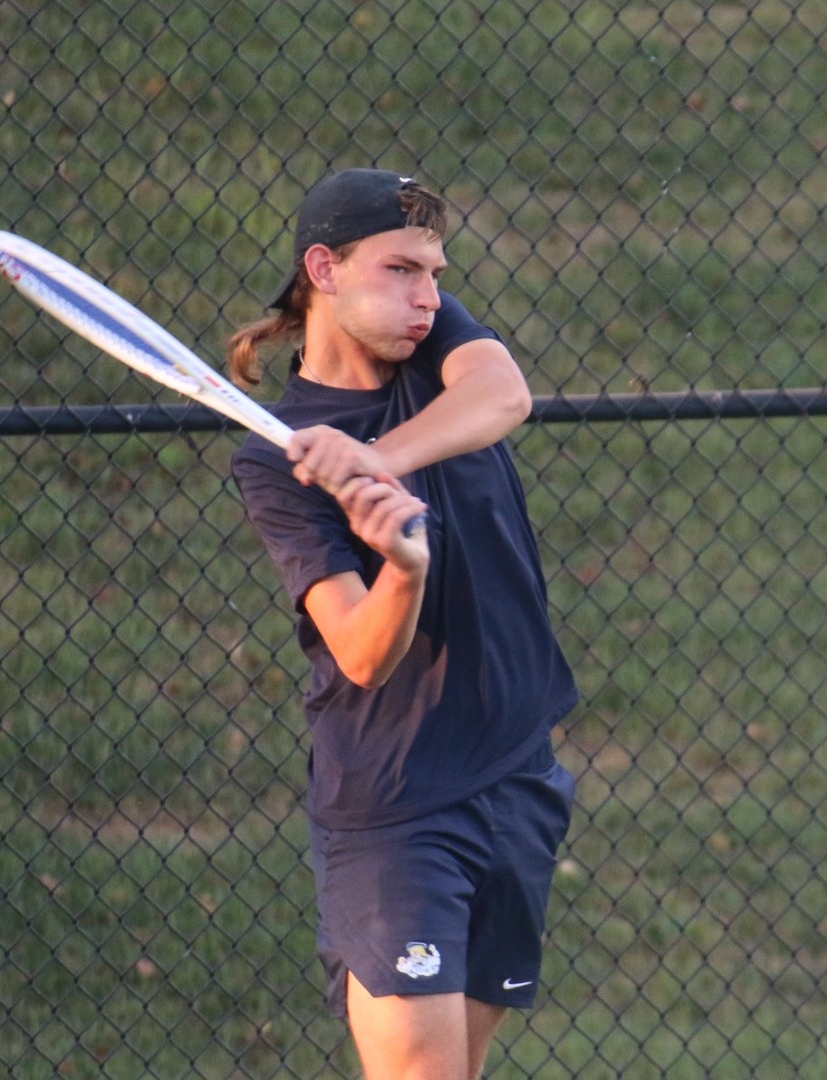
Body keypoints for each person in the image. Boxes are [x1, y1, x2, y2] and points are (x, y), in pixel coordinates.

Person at [226, 168, 579, 1080]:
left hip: (518, 775)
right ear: (324, 269)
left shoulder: (432, 344)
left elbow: (504, 396)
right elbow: (361, 652)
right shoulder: (277, 461)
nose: (427, 295)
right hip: (399, 803)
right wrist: (404, 568)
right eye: (400, 269)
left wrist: (374, 462)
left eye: (434, 272)